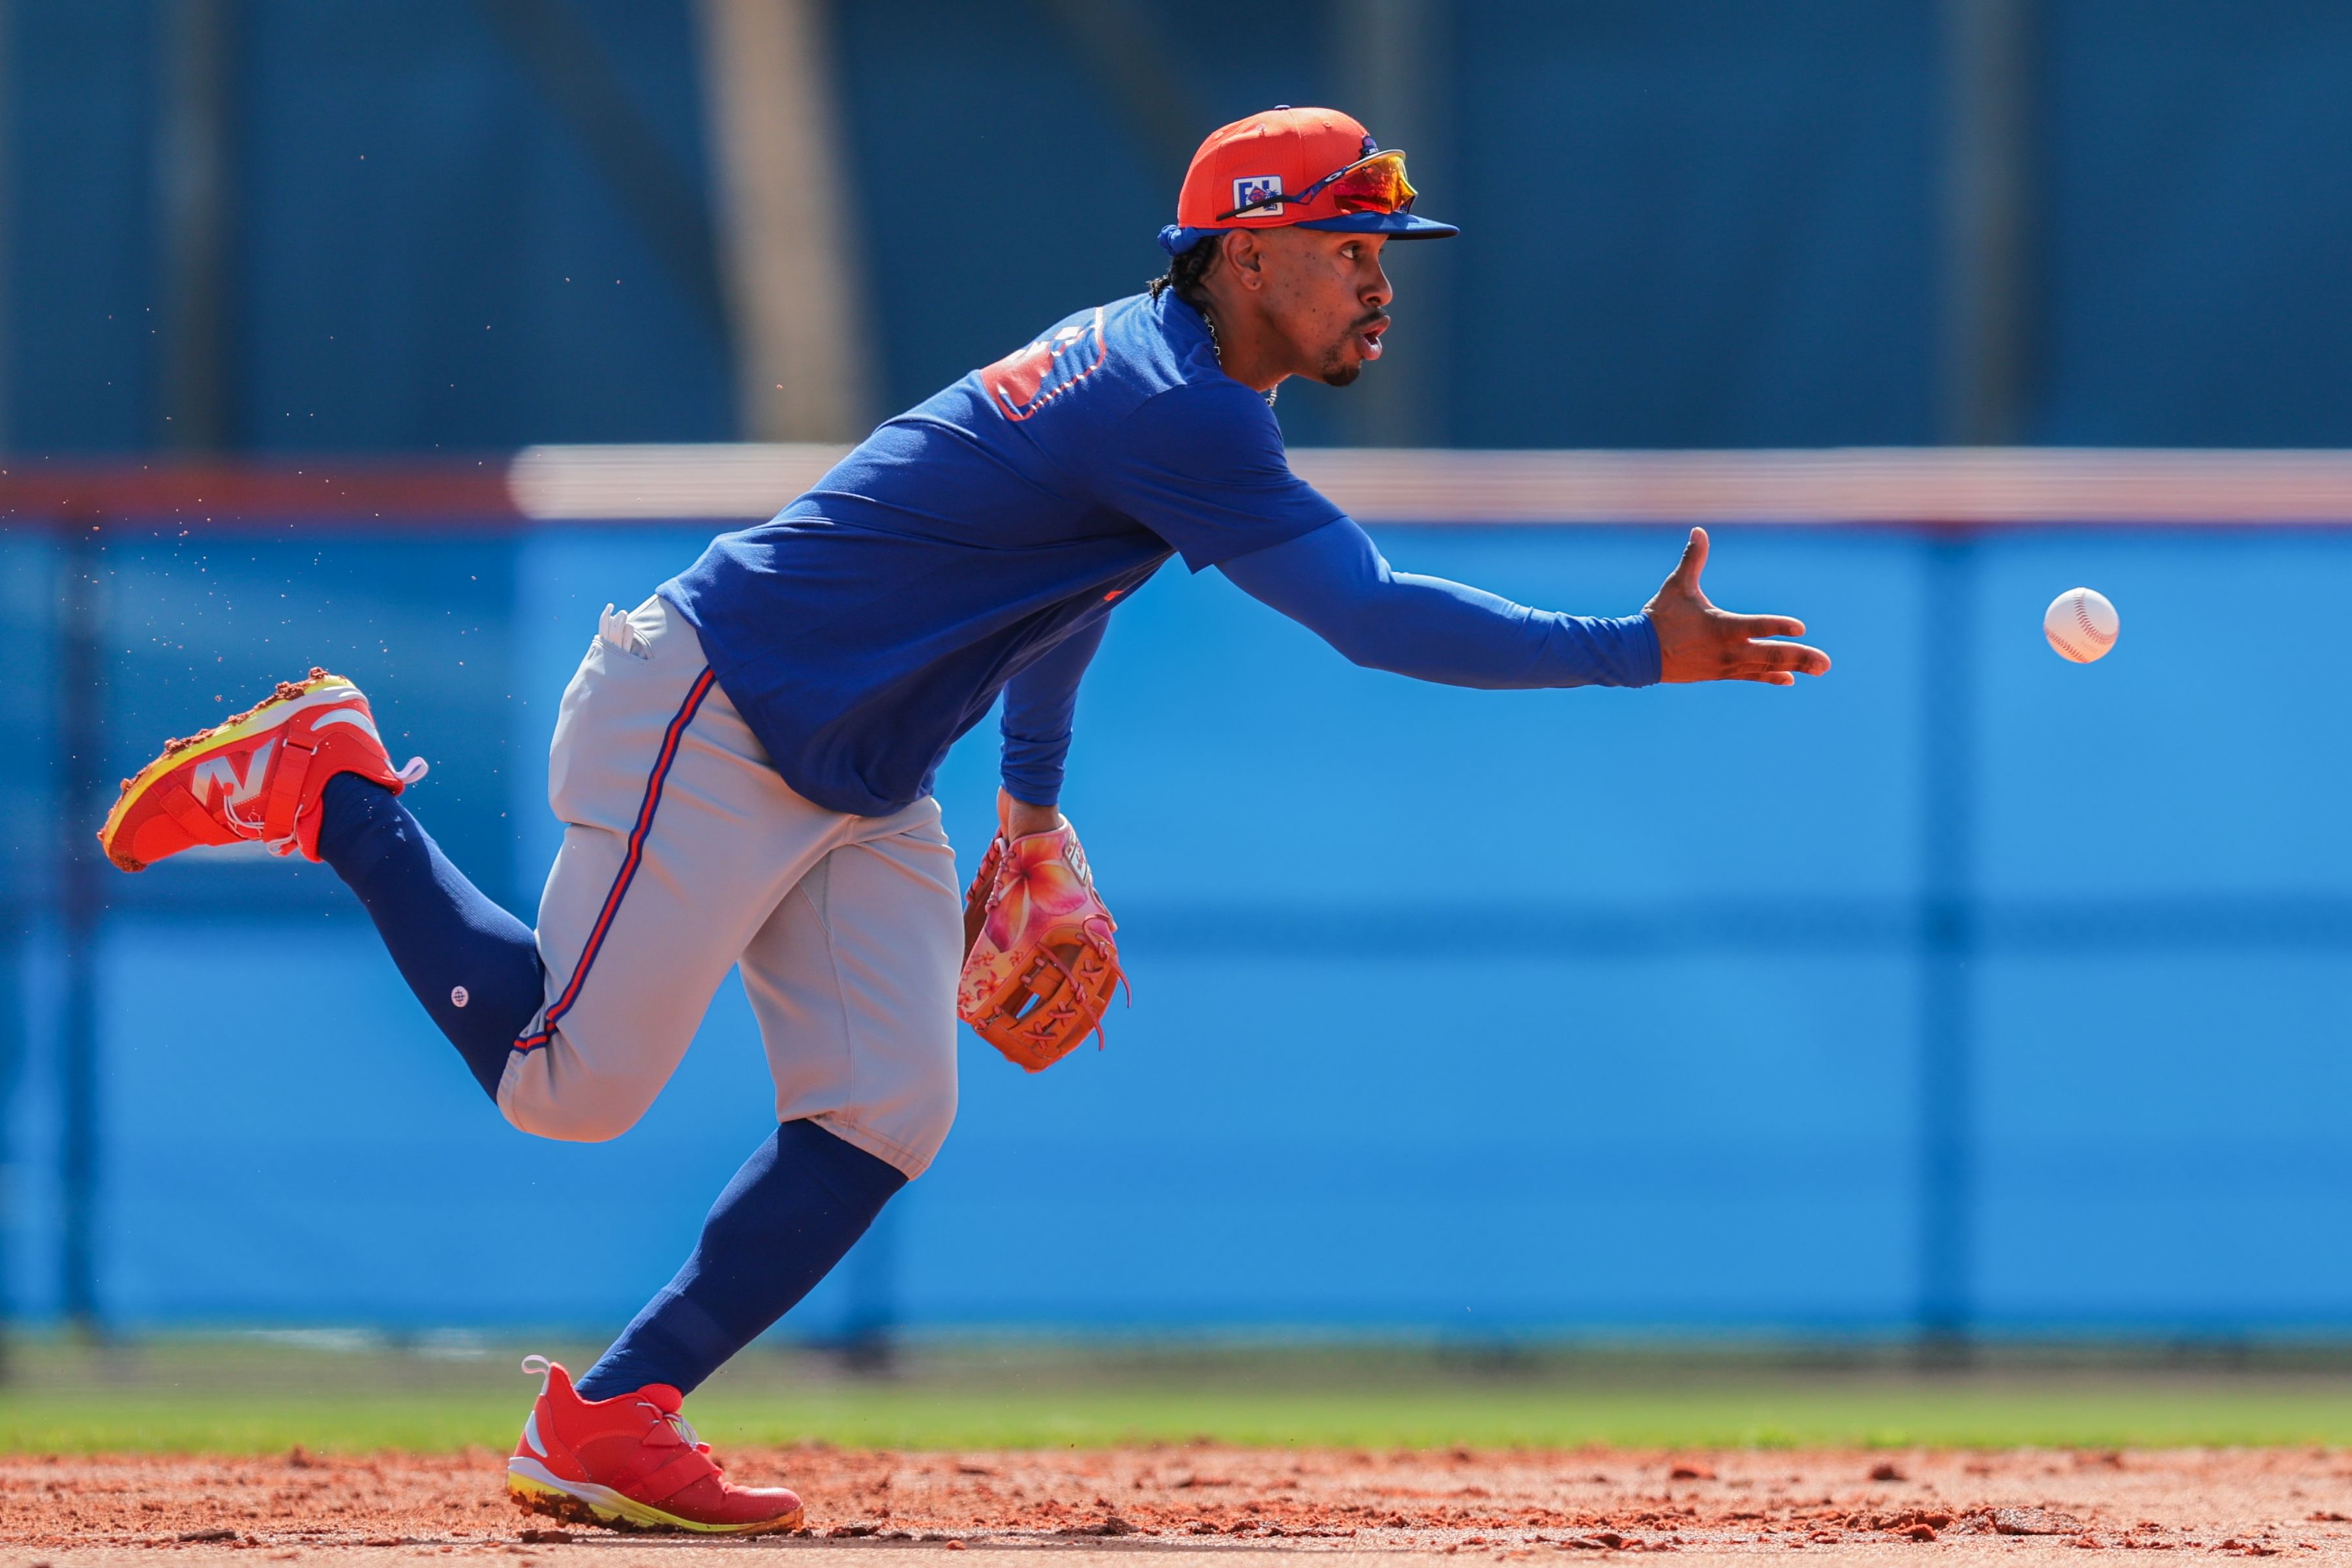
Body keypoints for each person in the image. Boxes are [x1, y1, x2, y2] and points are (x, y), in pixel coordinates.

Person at [97, 106, 1828, 1535]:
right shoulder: (1176, 402)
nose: (1380, 282)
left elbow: (1068, 593)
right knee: (567, 1085)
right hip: (710, 710)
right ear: (1245, 252)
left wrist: (1032, 806)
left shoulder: (1169, 387)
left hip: (858, 770)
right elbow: (1369, 616)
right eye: (1345, 247)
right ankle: (335, 787)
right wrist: (1633, 652)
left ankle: (612, 1410)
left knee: (886, 1103)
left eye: (1387, 252)